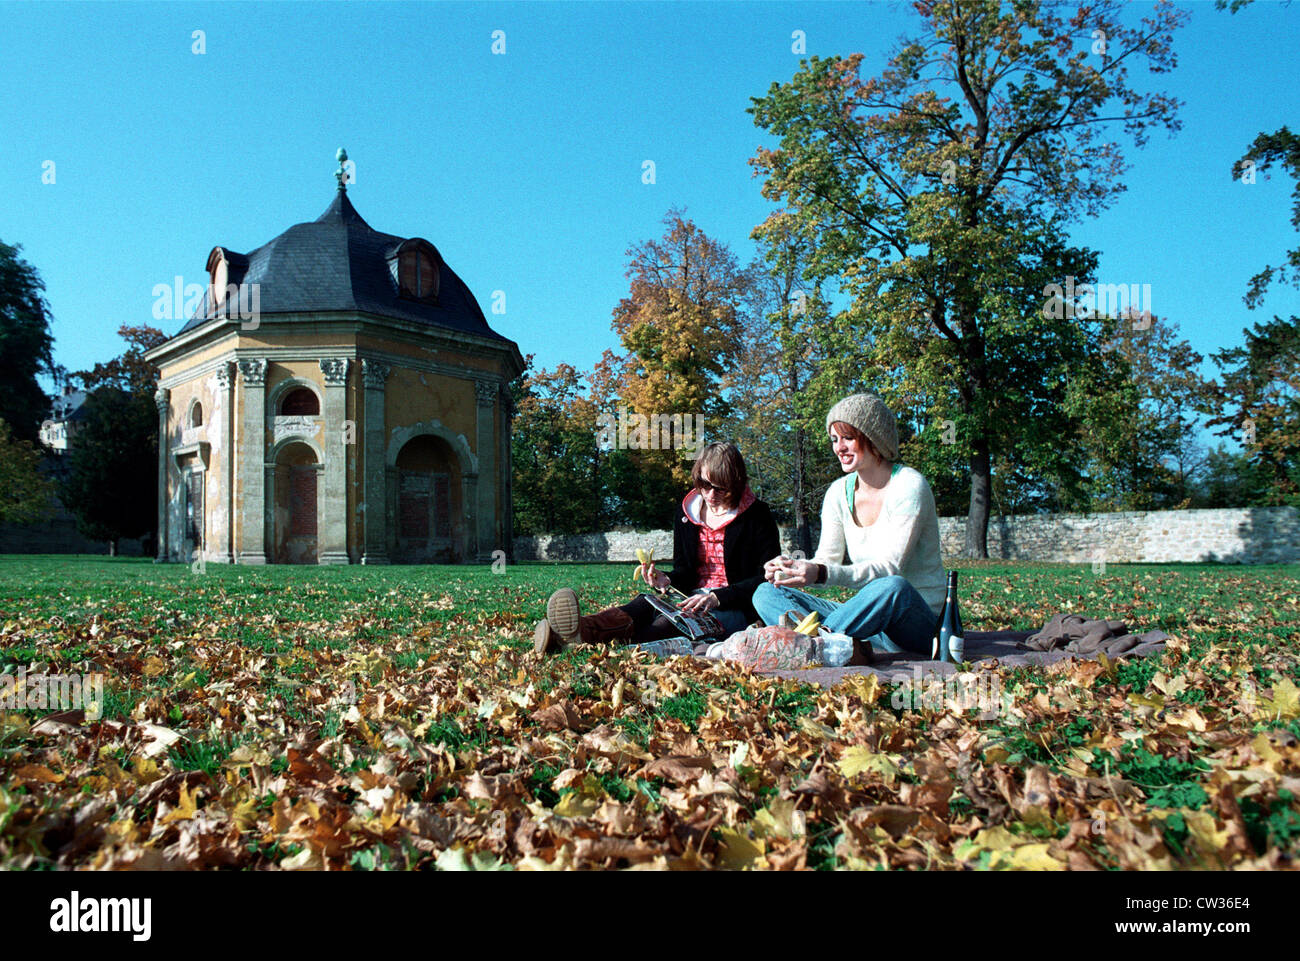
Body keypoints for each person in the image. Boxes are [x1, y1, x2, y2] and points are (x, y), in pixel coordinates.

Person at [534, 441, 781, 655]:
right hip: (690, 595)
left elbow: (766, 578)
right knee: (643, 604)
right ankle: (581, 630)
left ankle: (590, 643)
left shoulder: (757, 515)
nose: (710, 494)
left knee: (671, 623)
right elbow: (684, 571)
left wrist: (718, 597)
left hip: (732, 606)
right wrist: (665, 579)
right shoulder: (687, 513)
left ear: (736, 484)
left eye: (721, 488)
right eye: (704, 484)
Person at [752, 393, 946, 655]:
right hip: (864, 622)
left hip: (917, 623)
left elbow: (890, 568)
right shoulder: (837, 493)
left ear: (874, 437)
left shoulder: (909, 485)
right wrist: (792, 571)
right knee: (766, 593)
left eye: (848, 438)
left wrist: (821, 572)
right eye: (834, 439)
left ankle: (809, 647)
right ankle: (833, 646)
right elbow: (827, 561)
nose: (838, 447)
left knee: (893, 586)